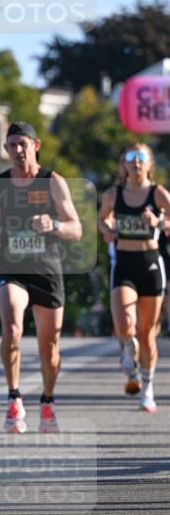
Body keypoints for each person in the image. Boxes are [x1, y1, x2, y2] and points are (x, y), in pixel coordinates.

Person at [0, 122, 83, 433]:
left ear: (35, 145)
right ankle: (14, 398)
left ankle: (48, 401)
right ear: (6, 149)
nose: (17, 150)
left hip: (47, 271)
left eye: (23, 144)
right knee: (11, 327)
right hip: (12, 268)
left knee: (49, 347)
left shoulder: (52, 181)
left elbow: (75, 228)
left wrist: (52, 224)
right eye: (12, 145)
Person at [98, 142, 169, 412]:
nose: (136, 162)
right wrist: (106, 227)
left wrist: (159, 223)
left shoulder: (159, 194)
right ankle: (128, 349)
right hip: (125, 263)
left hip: (150, 264)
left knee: (147, 332)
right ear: (123, 164)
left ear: (150, 163)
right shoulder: (113, 195)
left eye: (141, 157)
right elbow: (102, 220)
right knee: (125, 327)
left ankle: (147, 389)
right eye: (131, 157)